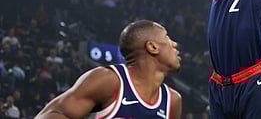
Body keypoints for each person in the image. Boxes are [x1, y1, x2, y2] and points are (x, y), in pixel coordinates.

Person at [35, 20, 182, 119]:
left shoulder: (173, 101)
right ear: (152, 47)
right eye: (168, 38)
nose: (175, 44)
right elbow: (49, 114)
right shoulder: (109, 81)